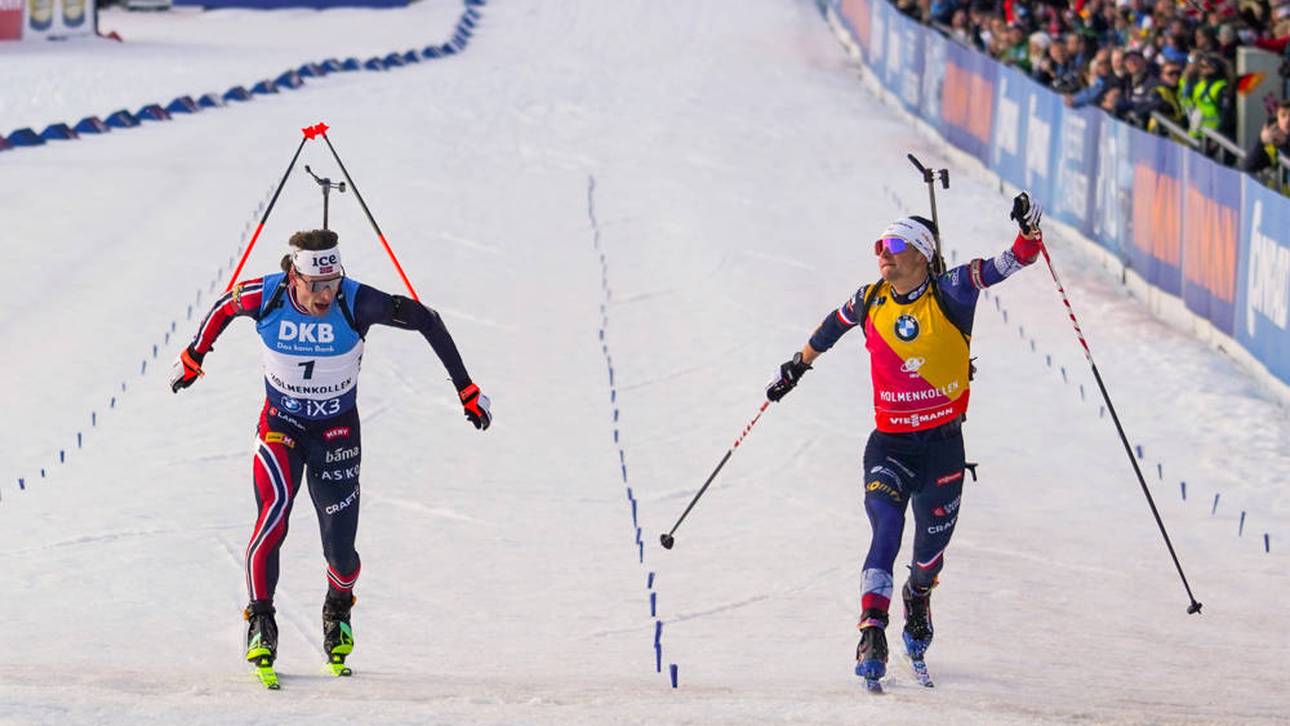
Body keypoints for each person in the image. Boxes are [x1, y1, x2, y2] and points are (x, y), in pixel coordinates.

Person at [169, 229, 492, 684]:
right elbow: (224, 305)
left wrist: (466, 388)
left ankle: (338, 606)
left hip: (337, 433)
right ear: (293, 275)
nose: (325, 295)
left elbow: (428, 320)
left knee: (340, 553)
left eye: (332, 282)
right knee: (274, 514)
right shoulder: (267, 294)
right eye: (315, 285)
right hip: (281, 426)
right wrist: (194, 355)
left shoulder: (356, 302)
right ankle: (261, 620)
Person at [764, 193, 1045, 685]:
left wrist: (1029, 232)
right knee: (885, 531)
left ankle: (919, 594)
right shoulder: (870, 298)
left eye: (895, 244)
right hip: (890, 446)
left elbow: (1016, 260)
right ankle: (872, 629)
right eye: (880, 243)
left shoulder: (954, 289)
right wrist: (796, 367)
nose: (883, 253)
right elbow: (833, 326)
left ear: (921, 253)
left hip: (942, 448)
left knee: (927, 555)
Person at [1244, 99, 1290, 189]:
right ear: (1277, 118)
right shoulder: (1272, 139)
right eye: (1283, 115)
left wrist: (1285, 143)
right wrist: (1261, 142)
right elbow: (1250, 166)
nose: (1287, 120)